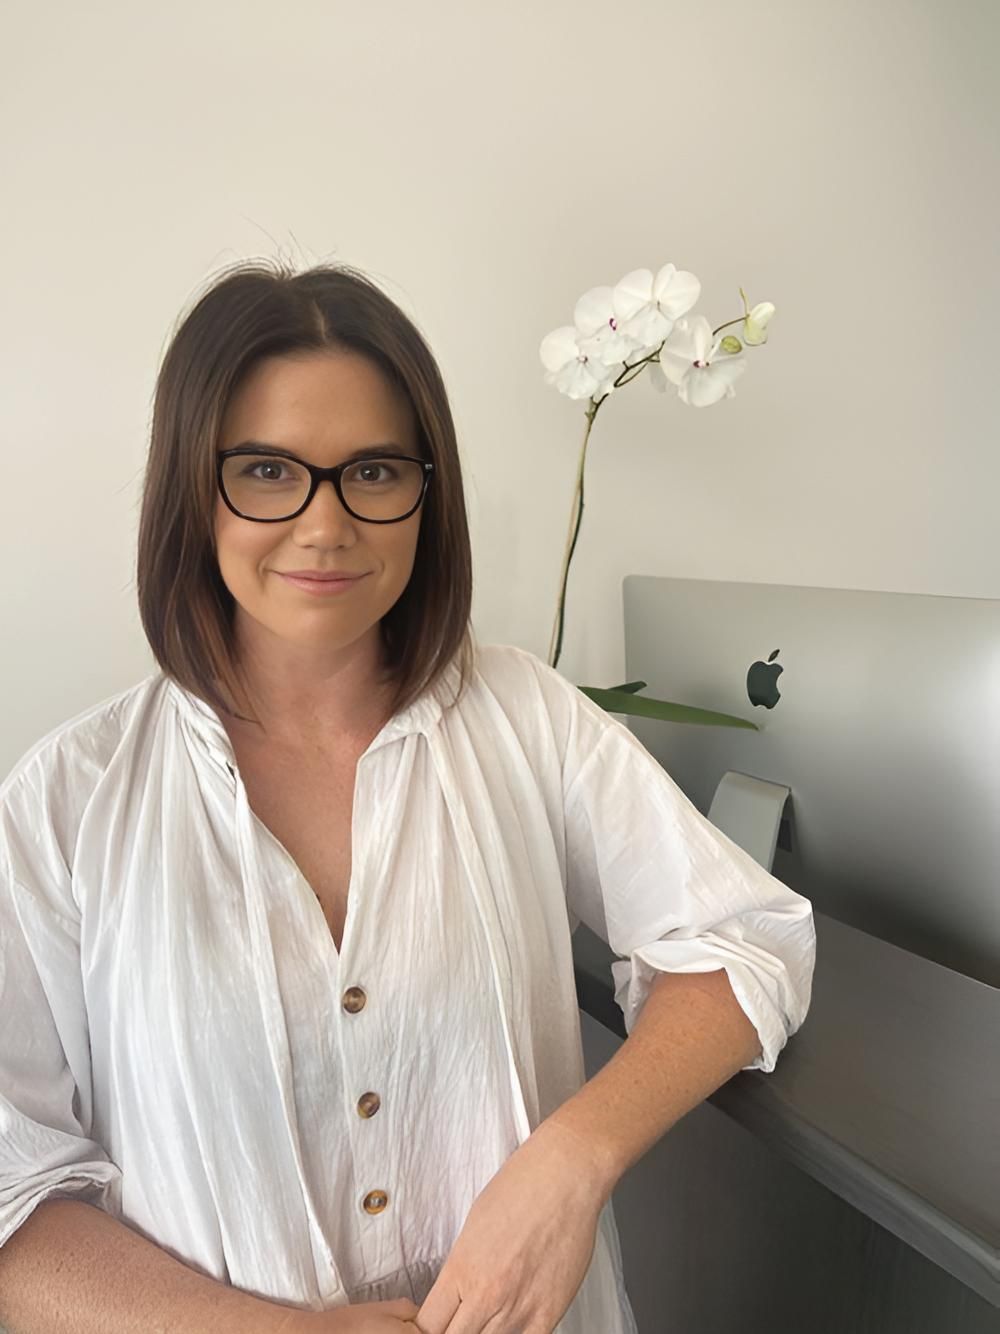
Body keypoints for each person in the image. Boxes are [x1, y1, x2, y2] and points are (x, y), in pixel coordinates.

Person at [0, 260, 816, 1334]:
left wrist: (572, 1157)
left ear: (428, 489)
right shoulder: (66, 800)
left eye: (374, 472)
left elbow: (742, 939)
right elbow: (15, 1192)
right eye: (265, 470)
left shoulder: (526, 715)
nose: (326, 524)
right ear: (190, 488)